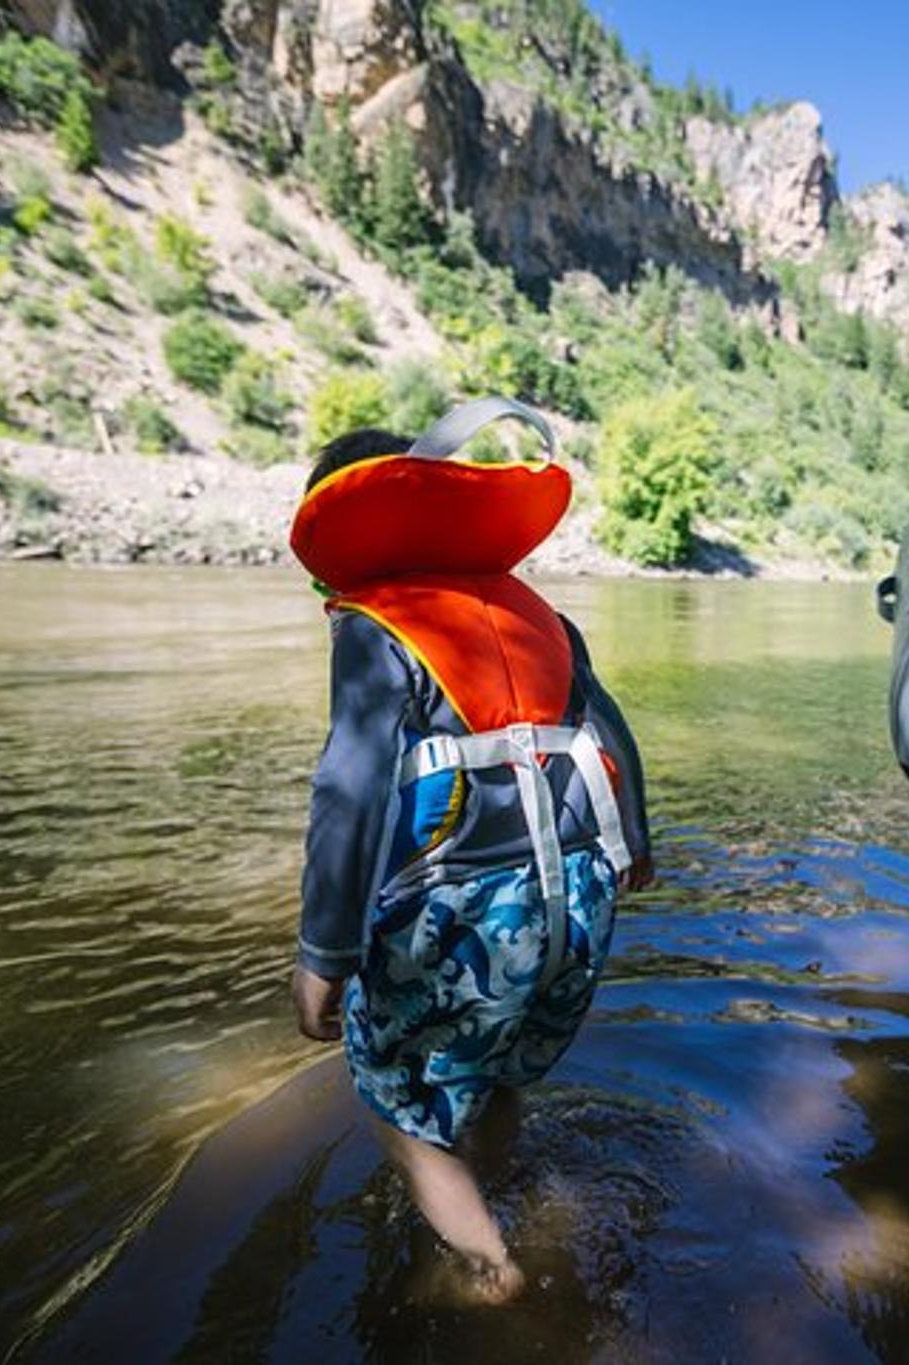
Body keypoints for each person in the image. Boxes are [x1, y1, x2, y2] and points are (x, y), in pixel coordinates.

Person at [286, 397, 652, 1304]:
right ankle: (500, 1187)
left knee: (402, 1106)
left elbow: (350, 787)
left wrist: (322, 956)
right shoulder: (540, 617)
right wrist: (636, 846)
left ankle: (492, 1276)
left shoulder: (376, 626)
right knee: (492, 1067)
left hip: (468, 915)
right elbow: (616, 738)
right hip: (581, 901)